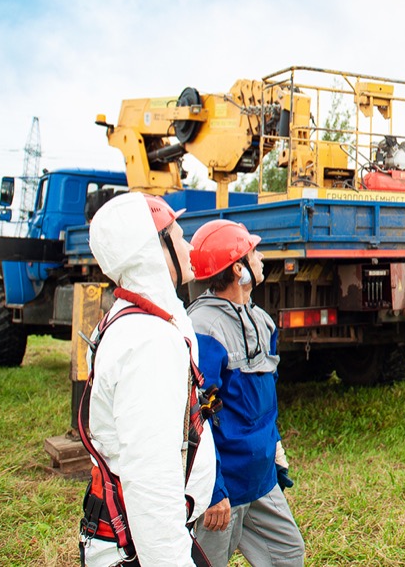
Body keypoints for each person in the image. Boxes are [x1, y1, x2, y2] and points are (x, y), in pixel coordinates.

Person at [78, 192, 217, 567]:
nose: (189, 246)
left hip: (144, 541)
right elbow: (150, 479)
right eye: (179, 236)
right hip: (142, 550)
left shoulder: (138, 320)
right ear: (153, 250)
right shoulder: (150, 343)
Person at [187, 219, 306, 567]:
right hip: (224, 488)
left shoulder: (263, 321)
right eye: (254, 252)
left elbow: (263, 399)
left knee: (288, 555)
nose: (262, 257)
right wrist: (213, 491)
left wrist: (275, 449)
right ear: (238, 268)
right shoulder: (203, 328)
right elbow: (194, 417)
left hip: (261, 480)